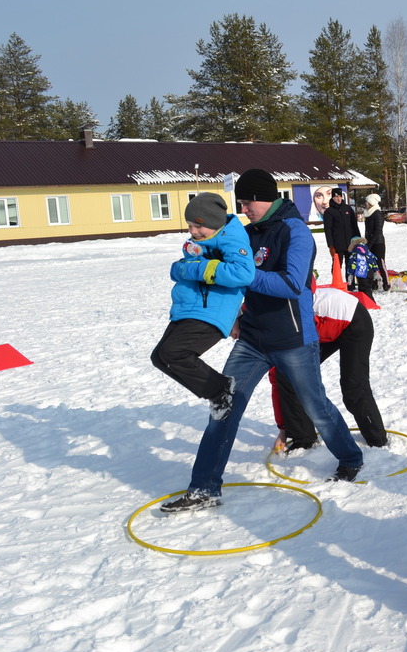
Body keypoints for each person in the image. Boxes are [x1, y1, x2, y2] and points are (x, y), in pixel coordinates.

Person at [160, 169, 363, 513]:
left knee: (315, 406)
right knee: (223, 407)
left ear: (266, 197)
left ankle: (350, 456)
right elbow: (227, 277)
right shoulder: (245, 232)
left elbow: (290, 284)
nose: (243, 208)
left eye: (247, 201)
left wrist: (245, 275)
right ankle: (204, 487)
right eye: (240, 202)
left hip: (293, 337)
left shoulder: (295, 231)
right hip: (253, 338)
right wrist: (235, 309)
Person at [150, 193, 255, 419]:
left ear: (213, 222)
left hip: (211, 311)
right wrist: (184, 268)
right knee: (159, 357)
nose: (193, 232)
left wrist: (197, 269)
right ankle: (217, 390)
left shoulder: (231, 240)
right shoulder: (199, 242)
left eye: (198, 226)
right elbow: (182, 268)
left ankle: (220, 389)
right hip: (189, 308)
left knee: (174, 353)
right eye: (189, 226)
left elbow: (243, 273)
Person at [271, 285, 389, 450]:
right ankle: (303, 438)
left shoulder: (275, 321)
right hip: (322, 327)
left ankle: (377, 440)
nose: (233, 337)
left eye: (234, 333)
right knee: (286, 375)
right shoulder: (262, 322)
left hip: (352, 321)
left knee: (353, 386)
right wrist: (284, 429)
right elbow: (276, 375)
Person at [324, 187, 361, 290]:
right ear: (332, 197)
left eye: (340, 196)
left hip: (350, 244)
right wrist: (330, 245)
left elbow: (354, 225)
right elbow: (328, 229)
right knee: (337, 266)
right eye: (336, 196)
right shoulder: (329, 212)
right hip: (337, 244)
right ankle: (337, 284)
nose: (339, 199)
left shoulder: (348, 209)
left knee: (351, 266)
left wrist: (358, 240)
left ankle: (351, 285)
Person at [363, 193, 390, 291]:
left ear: (371, 203)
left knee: (380, 263)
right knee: (370, 264)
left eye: (367, 201)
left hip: (378, 243)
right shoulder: (368, 213)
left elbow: (377, 230)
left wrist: (370, 243)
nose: (365, 203)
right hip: (370, 242)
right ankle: (373, 283)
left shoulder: (377, 213)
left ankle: (386, 283)